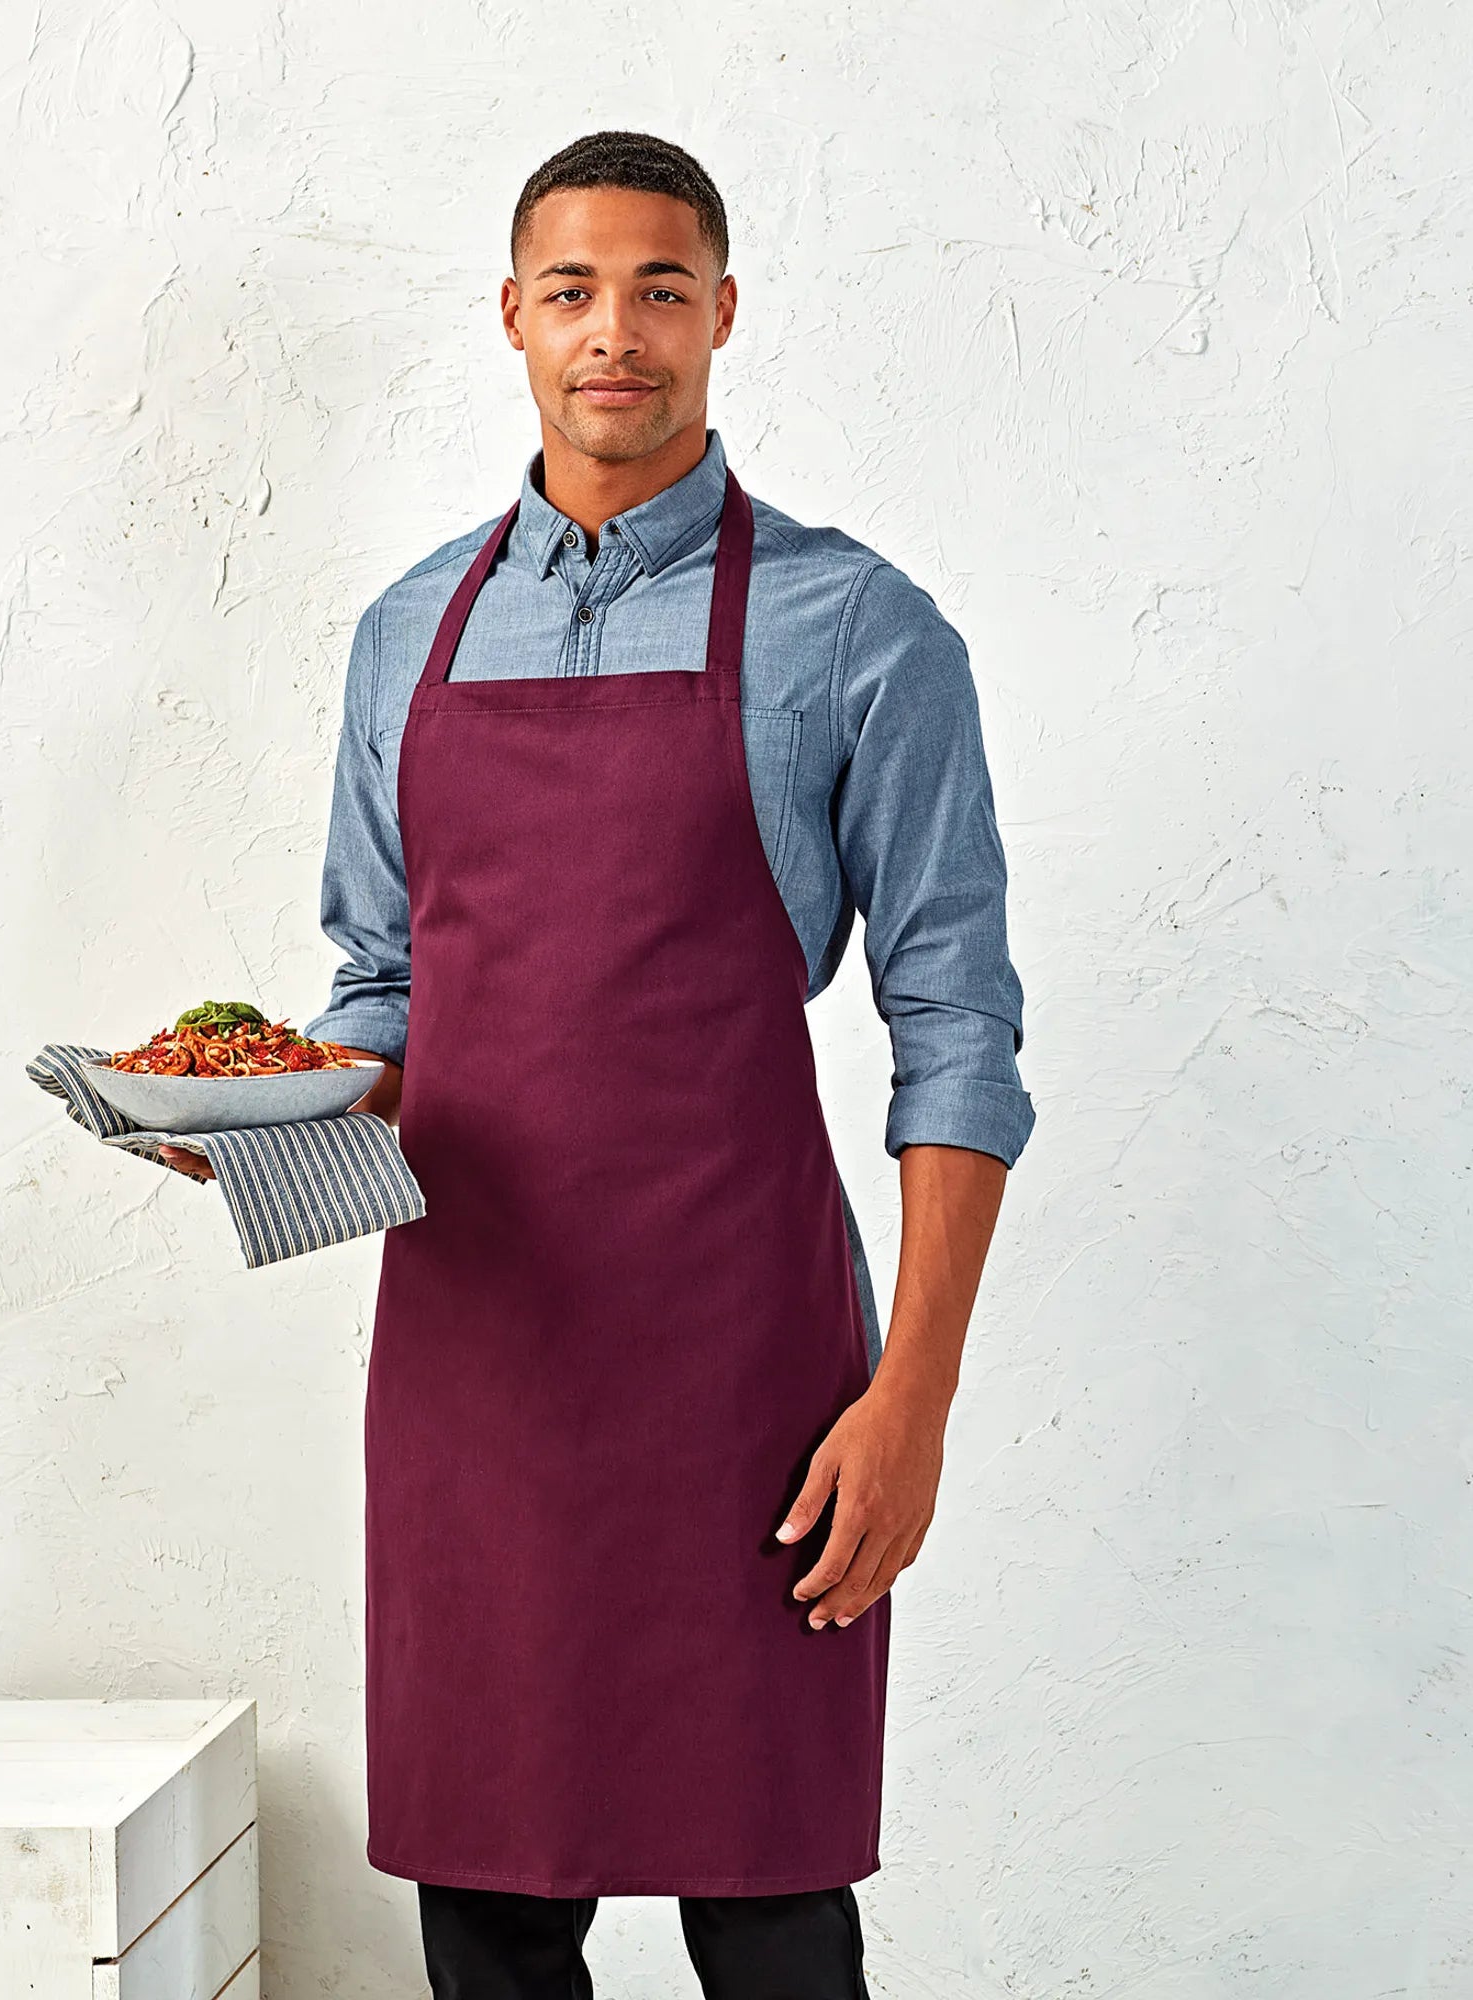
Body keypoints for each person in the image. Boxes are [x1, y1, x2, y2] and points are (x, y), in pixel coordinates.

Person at [165, 129, 1034, 2000]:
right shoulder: (409, 629)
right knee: (486, 1915)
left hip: (749, 1365)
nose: (613, 333)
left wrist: (915, 1397)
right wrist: (255, 1117)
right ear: (512, 317)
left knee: (772, 1906)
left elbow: (958, 1024)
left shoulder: (857, 629)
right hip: (477, 1370)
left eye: (658, 290)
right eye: (571, 290)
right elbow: (389, 991)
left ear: (723, 314)